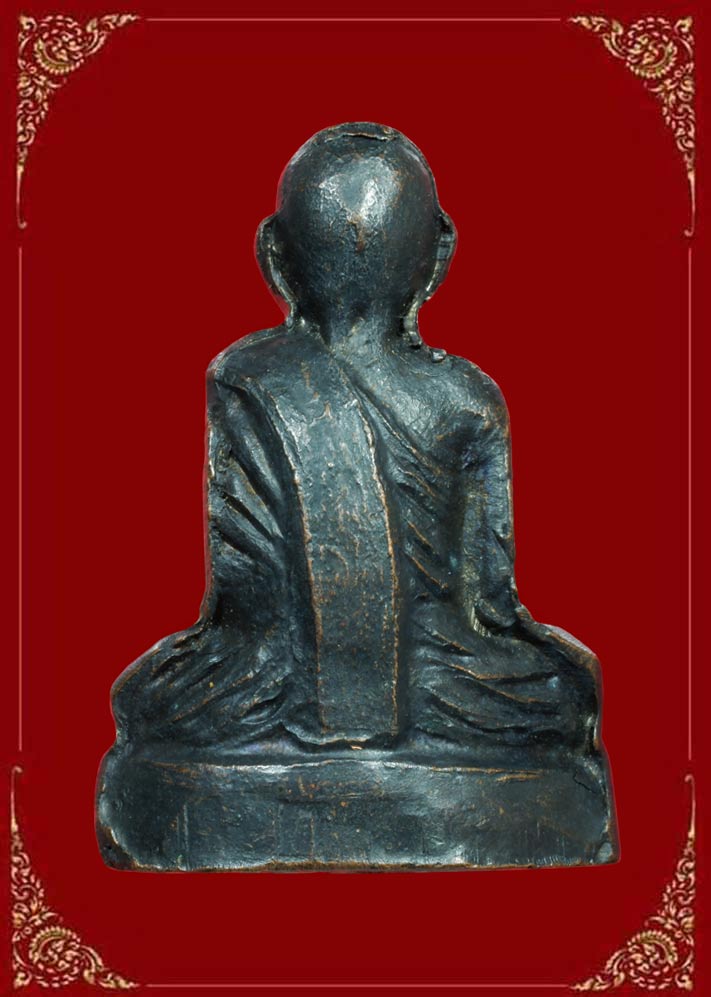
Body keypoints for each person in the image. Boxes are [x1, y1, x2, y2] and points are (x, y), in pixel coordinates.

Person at [111, 122, 603, 763]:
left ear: (272, 255)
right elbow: (492, 603)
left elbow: (236, 600)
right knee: (565, 689)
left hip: (270, 688)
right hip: (448, 690)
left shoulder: (243, 375)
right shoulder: (467, 398)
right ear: (440, 253)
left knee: (146, 698)